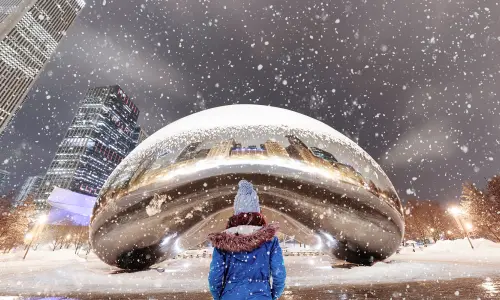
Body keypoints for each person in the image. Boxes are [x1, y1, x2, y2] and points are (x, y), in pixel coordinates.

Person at [208, 180, 286, 300]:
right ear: (258, 213)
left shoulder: (223, 242)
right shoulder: (270, 241)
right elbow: (279, 273)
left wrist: (220, 296)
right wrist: (272, 295)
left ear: (235, 213)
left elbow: (215, 277)